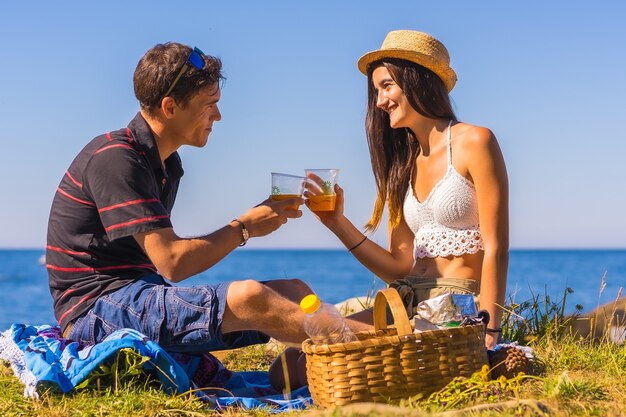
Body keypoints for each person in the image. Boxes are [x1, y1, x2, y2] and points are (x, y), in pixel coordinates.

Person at [45, 42, 371, 354]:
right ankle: (396, 342)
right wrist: (244, 227)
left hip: (136, 295)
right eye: (208, 104)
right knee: (251, 296)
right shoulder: (116, 158)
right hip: (94, 312)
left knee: (294, 292)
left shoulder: (166, 165)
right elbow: (172, 262)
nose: (218, 116)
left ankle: (342, 363)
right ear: (170, 107)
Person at [307, 30, 509, 349]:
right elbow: (398, 267)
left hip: (454, 305)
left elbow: (496, 248)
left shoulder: (475, 142)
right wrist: (336, 223)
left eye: (386, 86)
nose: (380, 102)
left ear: (417, 80)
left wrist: (490, 332)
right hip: (404, 302)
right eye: (376, 91)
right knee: (299, 356)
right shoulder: (404, 164)